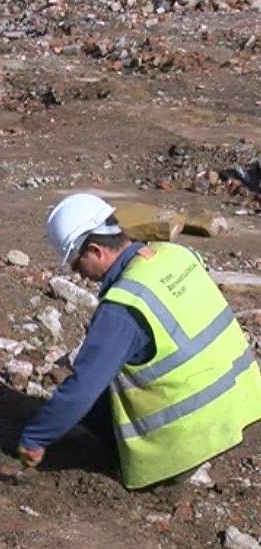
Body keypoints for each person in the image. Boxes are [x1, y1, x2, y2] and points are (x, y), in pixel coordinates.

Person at [16, 192, 261, 489]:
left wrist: (35, 437)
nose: (76, 273)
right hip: (240, 406)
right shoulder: (175, 255)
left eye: (76, 263)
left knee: (93, 390)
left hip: (189, 440)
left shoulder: (123, 307)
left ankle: (159, 468)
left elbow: (83, 388)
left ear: (95, 250)